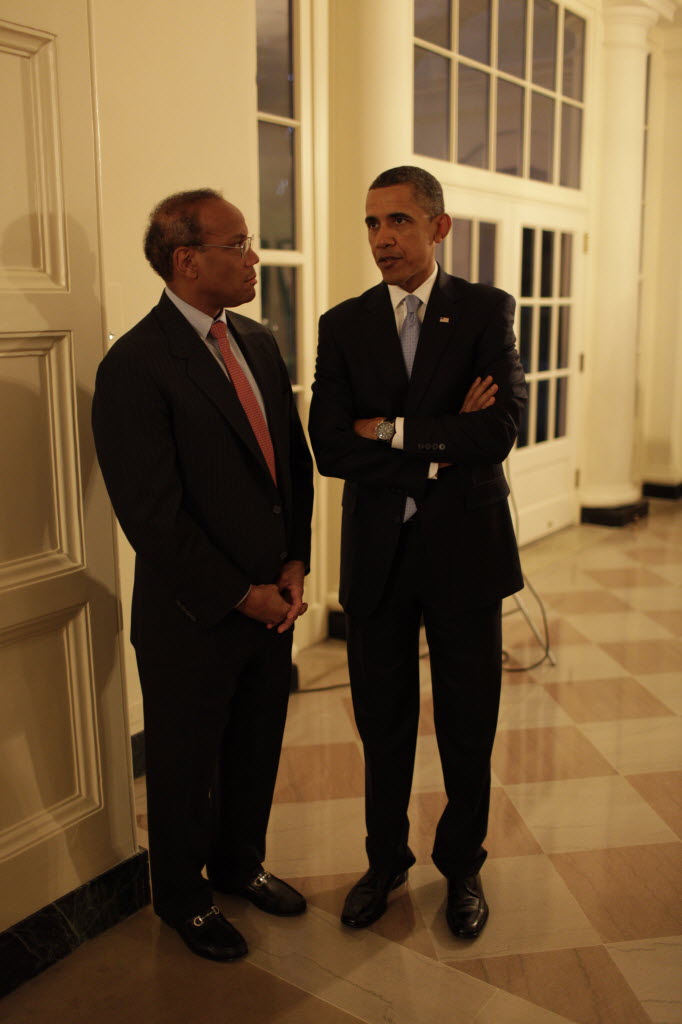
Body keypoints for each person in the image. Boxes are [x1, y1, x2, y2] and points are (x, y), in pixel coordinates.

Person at [92, 189, 314, 962]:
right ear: (187, 260)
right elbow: (153, 518)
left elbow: (290, 463)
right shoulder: (135, 365)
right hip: (194, 616)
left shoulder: (257, 341)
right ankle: (183, 901)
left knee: (256, 749)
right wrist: (241, 595)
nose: (254, 258)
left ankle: (239, 866)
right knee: (185, 767)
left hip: (273, 600)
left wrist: (295, 561)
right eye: (239, 244)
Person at [308, 166, 527, 939]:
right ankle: (385, 861)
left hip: (466, 552)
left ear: (439, 227)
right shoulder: (344, 324)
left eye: (398, 221)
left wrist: (391, 430)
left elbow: (499, 430)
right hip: (379, 557)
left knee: (469, 722)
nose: (382, 238)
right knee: (382, 723)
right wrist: (438, 446)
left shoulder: (485, 311)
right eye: (371, 223)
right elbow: (330, 446)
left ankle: (462, 866)